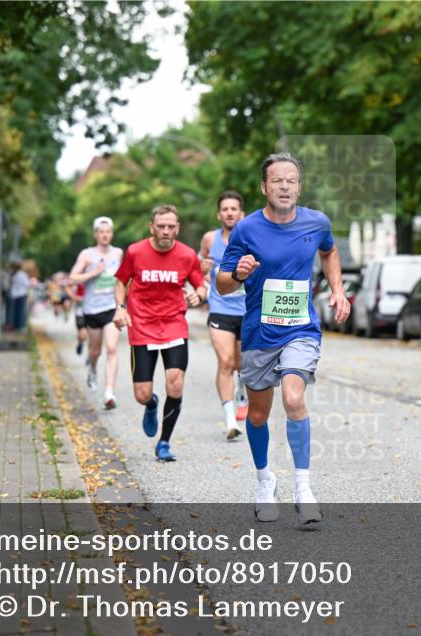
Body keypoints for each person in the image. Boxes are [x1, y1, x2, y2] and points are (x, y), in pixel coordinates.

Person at [216, 152, 350, 527]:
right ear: (264, 187)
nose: (285, 186)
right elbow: (222, 285)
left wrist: (337, 290)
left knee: (294, 397)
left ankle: (304, 489)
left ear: (299, 186)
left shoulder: (316, 222)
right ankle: (264, 481)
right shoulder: (246, 230)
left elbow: (329, 250)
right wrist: (239, 274)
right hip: (259, 331)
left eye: (291, 180)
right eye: (277, 180)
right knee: (257, 414)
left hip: (300, 329)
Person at [112, 204, 206, 463]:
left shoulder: (187, 255)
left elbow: (201, 286)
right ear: (151, 227)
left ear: (178, 228)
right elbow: (121, 281)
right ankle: (151, 404)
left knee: (175, 383)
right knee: (142, 394)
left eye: (170, 226)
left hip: (174, 324)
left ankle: (164, 442)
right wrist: (120, 308)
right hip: (142, 326)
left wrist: (197, 295)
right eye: (161, 226)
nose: (166, 231)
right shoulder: (135, 251)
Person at [200, 190, 249, 440]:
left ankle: (242, 390)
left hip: (246, 310)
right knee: (226, 362)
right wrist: (202, 267)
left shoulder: (251, 236)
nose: (229, 213)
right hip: (220, 309)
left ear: (241, 213)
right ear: (219, 214)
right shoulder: (210, 239)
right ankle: (230, 419)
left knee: (242, 364)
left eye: (234, 209)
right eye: (225, 209)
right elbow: (200, 265)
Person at [70, 216, 123, 409]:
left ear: (112, 233)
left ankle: (109, 392)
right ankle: (92, 369)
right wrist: (93, 272)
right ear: (95, 234)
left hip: (111, 307)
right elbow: (73, 278)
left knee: (111, 348)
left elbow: (124, 278)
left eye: (108, 231)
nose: (105, 235)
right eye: (101, 232)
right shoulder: (87, 255)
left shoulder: (118, 253)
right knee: (95, 350)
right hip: (92, 310)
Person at [64, 280, 87, 357]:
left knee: (92, 335)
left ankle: (91, 356)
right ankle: (81, 342)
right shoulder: (79, 277)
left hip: (94, 311)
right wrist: (75, 297)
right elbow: (68, 286)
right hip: (80, 311)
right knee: (82, 333)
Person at [9, 262, 30, 331]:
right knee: (21, 311)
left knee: (16, 311)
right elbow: (27, 284)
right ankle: (21, 326)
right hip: (21, 294)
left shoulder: (14, 275)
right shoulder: (22, 274)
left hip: (15, 294)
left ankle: (17, 325)